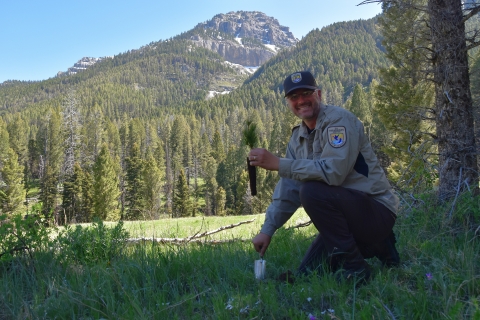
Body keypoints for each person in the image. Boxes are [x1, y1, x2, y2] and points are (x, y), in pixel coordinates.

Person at [249, 71, 400, 282]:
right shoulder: (298, 137)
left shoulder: (339, 122)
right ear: (288, 103)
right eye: (294, 97)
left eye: (306, 93)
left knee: (311, 192)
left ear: (318, 94)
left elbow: (334, 173)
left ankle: (356, 269)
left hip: (376, 210)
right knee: (307, 273)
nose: (301, 101)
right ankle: (383, 247)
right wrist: (268, 230)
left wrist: (278, 163)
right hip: (349, 215)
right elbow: (289, 187)